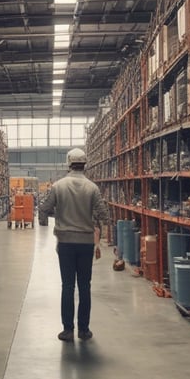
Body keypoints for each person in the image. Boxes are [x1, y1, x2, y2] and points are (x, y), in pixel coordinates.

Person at [39, 147, 108, 342]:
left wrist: (59, 215)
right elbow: (103, 214)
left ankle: (68, 330)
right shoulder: (93, 188)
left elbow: (44, 209)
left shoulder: (58, 186)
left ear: (68, 163)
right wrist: (91, 218)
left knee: (67, 286)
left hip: (66, 243)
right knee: (85, 286)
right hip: (86, 243)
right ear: (85, 164)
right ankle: (84, 330)